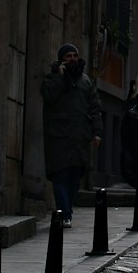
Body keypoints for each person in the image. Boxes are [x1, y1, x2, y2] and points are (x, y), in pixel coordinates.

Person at [40, 43, 102, 226]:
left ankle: (67, 210)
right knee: (60, 176)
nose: (72, 59)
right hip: (58, 137)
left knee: (75, 177)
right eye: (68, 56)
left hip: (79, 137)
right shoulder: (51, 79)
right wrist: (60, 77)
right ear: (61, 60)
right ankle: (65, 214)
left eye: (74, 55)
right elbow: (49, 97)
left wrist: (96, 132)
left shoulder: (85, 81)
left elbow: (95, 107)